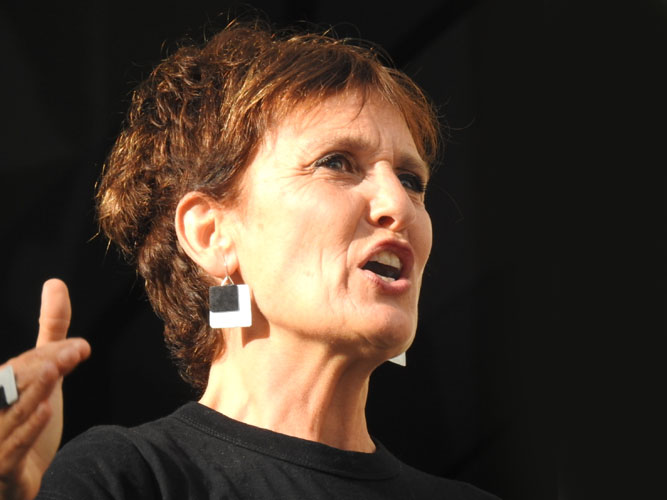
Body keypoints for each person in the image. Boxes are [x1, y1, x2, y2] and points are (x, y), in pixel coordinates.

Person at [0, 21, 499, 500]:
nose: (399, 205)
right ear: (211, 234)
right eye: (337, 162)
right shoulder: (125, 478)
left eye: (412, 180)